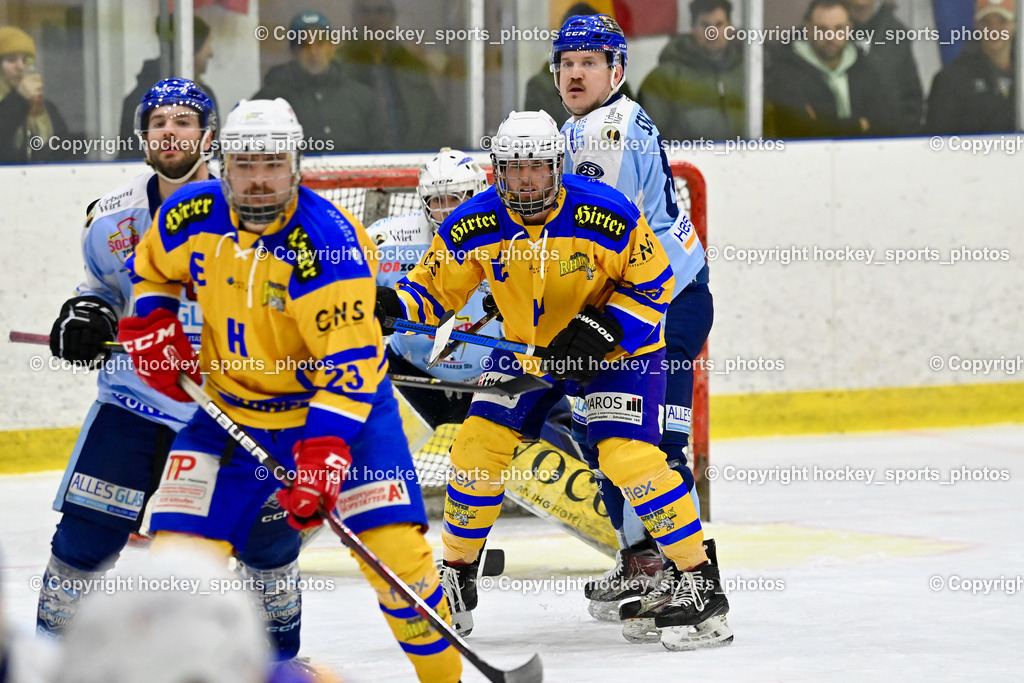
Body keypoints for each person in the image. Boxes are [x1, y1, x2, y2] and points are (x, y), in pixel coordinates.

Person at [118, 97, 461, 682]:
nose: (258, 179)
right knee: (174, 576)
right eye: (245, 164)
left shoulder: (331, 244)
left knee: (399, 567)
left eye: (272, 164)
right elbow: (155, 271)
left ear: (296, 165)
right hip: (229, 416)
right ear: (224, 165)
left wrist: (323, 455)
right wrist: (153, 321)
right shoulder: (188, 214)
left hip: (346, 419)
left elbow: (351, 365)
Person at [377, 109, 732, 651]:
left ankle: (700, 582)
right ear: (498, 170)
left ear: (558, 166)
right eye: (514, 169)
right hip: (528, 354)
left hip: (620, 352)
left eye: (537, 168)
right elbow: (431, 288)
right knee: (477, 445)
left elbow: (655, 281)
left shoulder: (604, 211)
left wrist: (603, 327)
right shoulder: (475, 221)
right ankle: (456, 577)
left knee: (627, 457)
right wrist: (393, 304)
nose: (526, 181)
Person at [549, 13, 722, 637]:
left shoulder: (607, 132)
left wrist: (585, 319)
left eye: (589, 63)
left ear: (616, 71)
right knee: (609, 437)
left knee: (655, 447)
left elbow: (603, 241)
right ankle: (645, 562)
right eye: (567, 63)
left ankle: (693, 580)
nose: (575, 74)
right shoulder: (580, 127)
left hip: (664, 304)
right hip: (634, 302)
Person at [38, 77, 215, 637]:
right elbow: (102, 291)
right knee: (82, 541)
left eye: (183, 122)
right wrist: (85, 315)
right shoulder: (112, 218)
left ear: (207, 138)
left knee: (229, 550)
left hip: (222, 410)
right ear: (143, 137)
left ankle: (263, 661)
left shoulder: (246, 212)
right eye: (158, 123)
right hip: (133, 399)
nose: (169, 132)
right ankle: (51, 658)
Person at [368, 148, 494, 427]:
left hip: (495, 375)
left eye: (455, 198)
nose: (447, 210)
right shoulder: (389, 240)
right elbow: (344, 289)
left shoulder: (507, 237)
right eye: (437, 200)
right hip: (413, 376)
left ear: (477, 194)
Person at [765, 0, 897, 138]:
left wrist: (823, 123)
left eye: (839, 29)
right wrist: (859, 125)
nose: (830, 37)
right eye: (822, 29)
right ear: (808, 29)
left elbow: (887, 123)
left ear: (849, 28)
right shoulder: (786, 71)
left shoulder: (864, 68)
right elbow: (800, 128)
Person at [254, 11, 381, 153]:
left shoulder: (362, 97)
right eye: (305, 45)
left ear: (332, 47)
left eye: (320, 43)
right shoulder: (268, 101)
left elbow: (383, 152)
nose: (313, 52)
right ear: (293, 51)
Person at [334, 0, 446, 151]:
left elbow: (435, 120)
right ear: (354, 18)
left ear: (392, 18)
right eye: (365, 11)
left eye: (380, 11)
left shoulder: (410, 63)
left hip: (412, 160)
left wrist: (420, 157)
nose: (373, 18)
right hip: (357, 161)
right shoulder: (337, 65)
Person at [637, 0, 746, 140]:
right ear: (693, 29)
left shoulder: (750, 72)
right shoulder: (664, 78)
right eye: (705, 25)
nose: (712, 32)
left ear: (729, 28)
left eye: (719, 24)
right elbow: (648, 140)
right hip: (686, 154)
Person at [118, 16, 217, 160]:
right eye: (159, 124)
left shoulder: (135, 98)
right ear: (191, 48)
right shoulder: (202, 99)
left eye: (183, 123)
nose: (211, 54)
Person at [926, 0, 1016, 134]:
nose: (994, 30)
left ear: (1015, 25)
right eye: (986, 22)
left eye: (1002, 22)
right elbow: (937, 139)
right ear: (977, 25)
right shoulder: (951, 80)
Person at [842, 0, 924, 134]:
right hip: (841, 137)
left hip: (892, 137)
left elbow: (912, 96)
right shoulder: (825, 33)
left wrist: (903, 135)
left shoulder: (897, 34)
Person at [0, 26, 71, 163]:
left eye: (27, 60)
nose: (20, 67)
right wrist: (19, 98)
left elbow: (65, 154)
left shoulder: (47, 108)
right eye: (11, 59)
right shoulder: (13, 105)